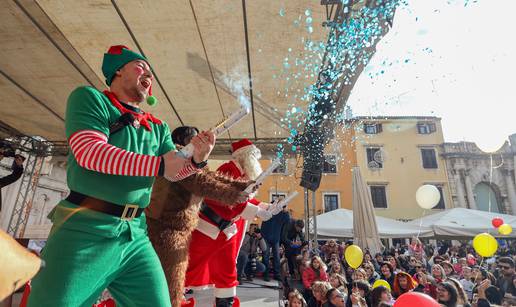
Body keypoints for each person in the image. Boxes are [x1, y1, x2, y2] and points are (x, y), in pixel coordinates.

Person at [26, 45, 215, 307]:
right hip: (85, 229)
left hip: (135, 235)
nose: (149, 74)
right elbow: (90, 152)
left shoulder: (158, 127)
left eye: (150, 72)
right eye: (141, 67)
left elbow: (173, 171)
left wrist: (197, 158)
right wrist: (159, 165)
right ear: (118, 70)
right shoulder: (90, 98)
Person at [146, 126, 251, 307]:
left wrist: (240, 185)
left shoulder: (192, 161)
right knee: (171, 282)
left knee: (173, 280)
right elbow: (199, 182)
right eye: (197, 140)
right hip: (166, 230)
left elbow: (208, 175)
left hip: (177, 230)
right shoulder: (176, 158)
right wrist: (233, 194)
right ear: (186, 142)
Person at [184, 138, 280, 307]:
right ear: (245, 156)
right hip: (209, 227)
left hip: (227, 230)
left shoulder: (243, 174)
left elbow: (246, 200)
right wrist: (257, 211)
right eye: (254, 157)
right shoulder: (227, 169)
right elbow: (223, 199)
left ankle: (225, 302)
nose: (256, 162)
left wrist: (266, 206)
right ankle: (174, 297)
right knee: (189, 266)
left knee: (227, 272)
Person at [261, 203, 290, 281]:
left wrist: (285, 211)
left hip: (276, 239)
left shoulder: (281, 214)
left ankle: (276, 274)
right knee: (265, 255)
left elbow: (287, 220)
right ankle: (266, 274)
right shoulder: (267, 211)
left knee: (276, 256)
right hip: (266, 237)